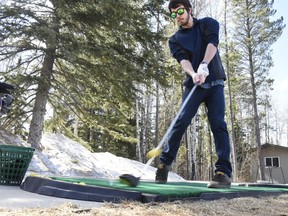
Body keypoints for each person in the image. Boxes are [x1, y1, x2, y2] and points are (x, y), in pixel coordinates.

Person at [155, 0, 232, 188]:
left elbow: (212, 45)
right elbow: (183, 61)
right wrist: (193, 73)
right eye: (173, 14)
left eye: (180, 11)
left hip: (215, 82)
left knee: (218, 123)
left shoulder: (209, 23)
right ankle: (164, 164)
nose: (178, 16)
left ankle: (222, 173)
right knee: (181, 121)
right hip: (195, 84)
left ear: (190, 9)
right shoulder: (175, 39)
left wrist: (205, 64)